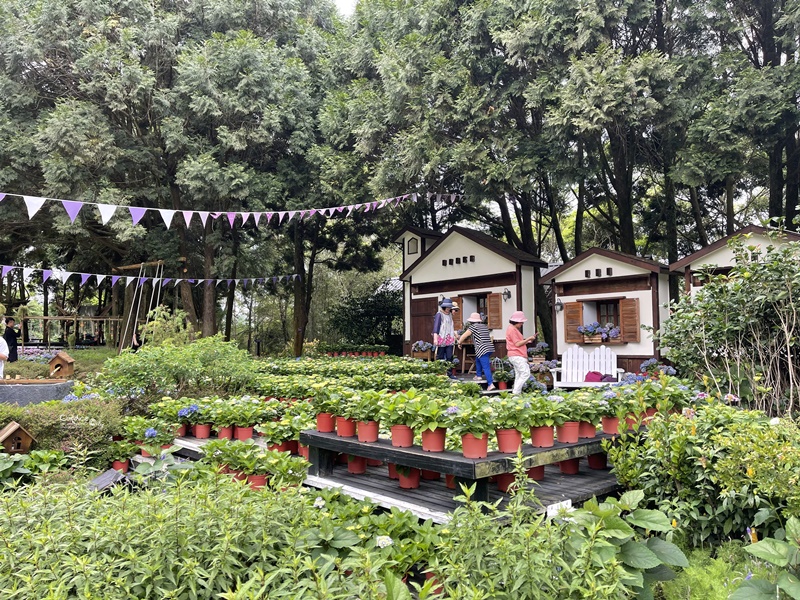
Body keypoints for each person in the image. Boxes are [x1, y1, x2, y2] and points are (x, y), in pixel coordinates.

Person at [457, 312, 496, 391]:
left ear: (471, 321)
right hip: (489, 348)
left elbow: (464, 335)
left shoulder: (473, 327)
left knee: (486, 367)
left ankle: (490, 384)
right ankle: (478, 376)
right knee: (478, 359)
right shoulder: (484, 326)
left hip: (482, 348)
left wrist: (459, 342)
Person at [505, 310, 536, 395]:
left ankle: (516, 394)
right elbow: (518, 343)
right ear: (517, 321)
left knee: (519, 374)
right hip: (517, 355)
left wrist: (527, 341)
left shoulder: (512, 328)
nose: (522, 324)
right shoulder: (512, 330)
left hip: (515, 354)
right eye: (521, 322)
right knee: (525, 373)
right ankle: (516, 392)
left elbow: (518, 342)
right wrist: (528, 339)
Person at [432, 298, 456, 369]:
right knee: (440, 356)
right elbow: (436, 327)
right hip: (442, 338)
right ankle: (441, 372)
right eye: (447, 307)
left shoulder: (450, 315)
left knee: (449, 356)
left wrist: (455, 335)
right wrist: (435, 339)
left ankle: (449, 373)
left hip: (449, 338)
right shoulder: (439, 314)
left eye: (450, 307)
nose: (449, 308)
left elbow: (451, 326)